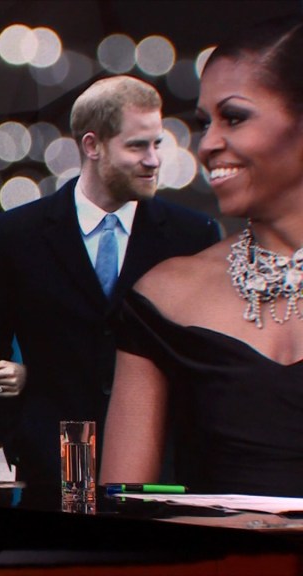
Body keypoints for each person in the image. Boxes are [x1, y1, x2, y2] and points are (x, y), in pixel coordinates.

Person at [0, 75, 220, 487]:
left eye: (157, 144)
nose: (153, 160)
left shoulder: (191, 235)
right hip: (60, 455)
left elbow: (210, 360)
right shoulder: (18, 235)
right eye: (137, 146)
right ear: (92, 145)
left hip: (160, 459)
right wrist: (21, 431)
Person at [101, 17, 303, 497]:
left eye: (234, 117)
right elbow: (122, 503)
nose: (208, 144)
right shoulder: (165, 296)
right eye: (203, 123)